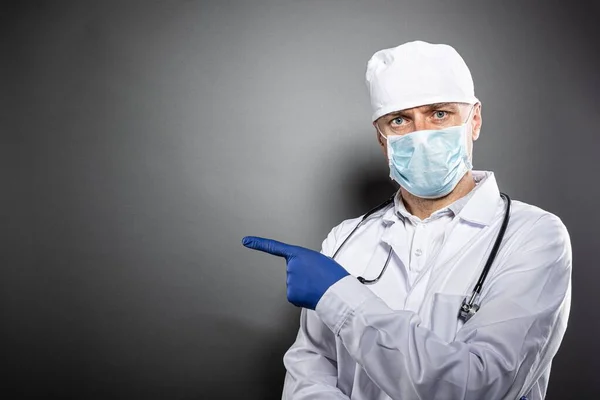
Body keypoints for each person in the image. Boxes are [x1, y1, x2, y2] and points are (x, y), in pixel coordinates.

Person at [242, 40, 572, 400]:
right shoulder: (345, 240)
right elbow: (311, 369)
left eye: (439, 114)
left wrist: (340, 296)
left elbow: (481, 384)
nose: (422, 135)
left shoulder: (534, 237)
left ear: (474, 120)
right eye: (400, 120)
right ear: (382, 140)